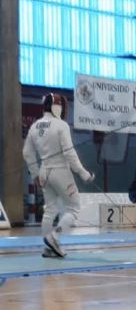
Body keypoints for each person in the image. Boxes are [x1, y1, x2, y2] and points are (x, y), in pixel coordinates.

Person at [22, 93, 95, 258]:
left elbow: (27, 152)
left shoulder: (35, 126)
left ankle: (48, 248)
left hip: (44, 172)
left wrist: (34, 173)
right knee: (74, 207)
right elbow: (69, 153)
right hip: (60, 171)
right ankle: (55, 237)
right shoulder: (61, 125)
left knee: (50, 210)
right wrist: (84, 174)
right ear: (57, 107)